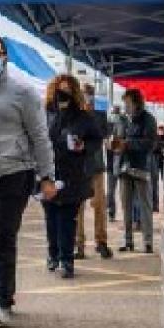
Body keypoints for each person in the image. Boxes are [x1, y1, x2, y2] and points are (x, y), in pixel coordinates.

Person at [0, 37, 58, 327]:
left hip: (14, 172)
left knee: (2, 235)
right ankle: (4, 291)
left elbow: (40, 137)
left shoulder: (23, 93)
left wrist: (47, 176)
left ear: (5, 57)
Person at [42, 75, 102, 278]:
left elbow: (96, 139)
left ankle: (66, 260)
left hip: (73, 174)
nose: (62, 94)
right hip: (48, 172)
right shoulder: (46, 114)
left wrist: (84, 146)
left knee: (67, 219)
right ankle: (53, 254)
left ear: (74, 92)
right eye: (60, 89)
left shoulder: (83, 117)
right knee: (51, 217)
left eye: (67, 90)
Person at [117, 89, 159, 253]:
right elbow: (119, 138)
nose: (125, 106)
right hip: (124, 167)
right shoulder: (124, 120)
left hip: (141, 167)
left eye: (128, 103)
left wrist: (127, 144)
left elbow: (150, 144)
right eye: (124, 103)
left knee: (145, 205)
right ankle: (128, 241)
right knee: (126, 206)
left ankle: (147, 242)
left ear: (136, 103)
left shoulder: (148, 120)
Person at [75, 83, 113, 260]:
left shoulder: (100, 116)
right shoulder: (74, 116)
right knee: (78, 208)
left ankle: (101, 241)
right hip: (79, 168)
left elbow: (104, 139)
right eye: (84, 94)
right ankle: (79, 245)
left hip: (97, 167)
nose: (87, 97)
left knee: (99, 205)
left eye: (89, 94)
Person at [107, 105, 124, 221]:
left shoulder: (120, 124)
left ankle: (112, 213)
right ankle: (112, 212)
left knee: (113, 190)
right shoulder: (108, 125)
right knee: (113, 191)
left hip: (117, 162)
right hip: (115, 162)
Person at [152, 124, 164, 214]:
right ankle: (155, 205)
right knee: (154, 183)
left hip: (163, 162)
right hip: (156, 161)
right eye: (159, 130)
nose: (161, 131)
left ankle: (162, 204)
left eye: (162, 130)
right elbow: (154, 148)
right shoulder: (156, 138)